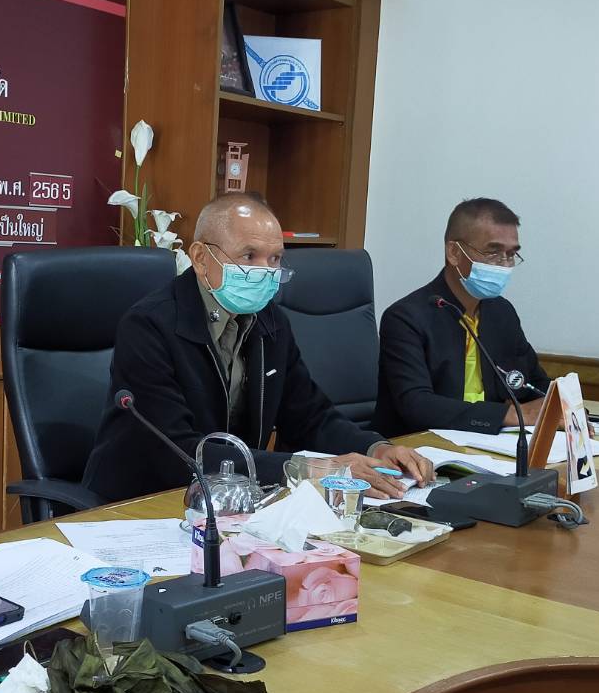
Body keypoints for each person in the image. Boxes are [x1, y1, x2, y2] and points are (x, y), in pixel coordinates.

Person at [84, 194, 432, 504]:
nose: (265, 272)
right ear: (201, 258)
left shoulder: (270, 322)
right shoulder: (149, 326)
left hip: (229, 499)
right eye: (249, 256)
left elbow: (310, 415)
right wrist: (306, 468)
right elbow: (175, 451)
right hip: (141, 502)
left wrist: (376, 448)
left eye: (275, 259)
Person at [375, 197, 550, 435]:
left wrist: (559, 408)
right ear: (454, 252)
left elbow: (536, 385)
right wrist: (506, 415)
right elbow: (417, 405)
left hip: (492, 442)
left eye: (511, 254)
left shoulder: (502, 313)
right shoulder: (406, 318)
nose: (503, 264)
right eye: (493, 252)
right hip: (419, 446)